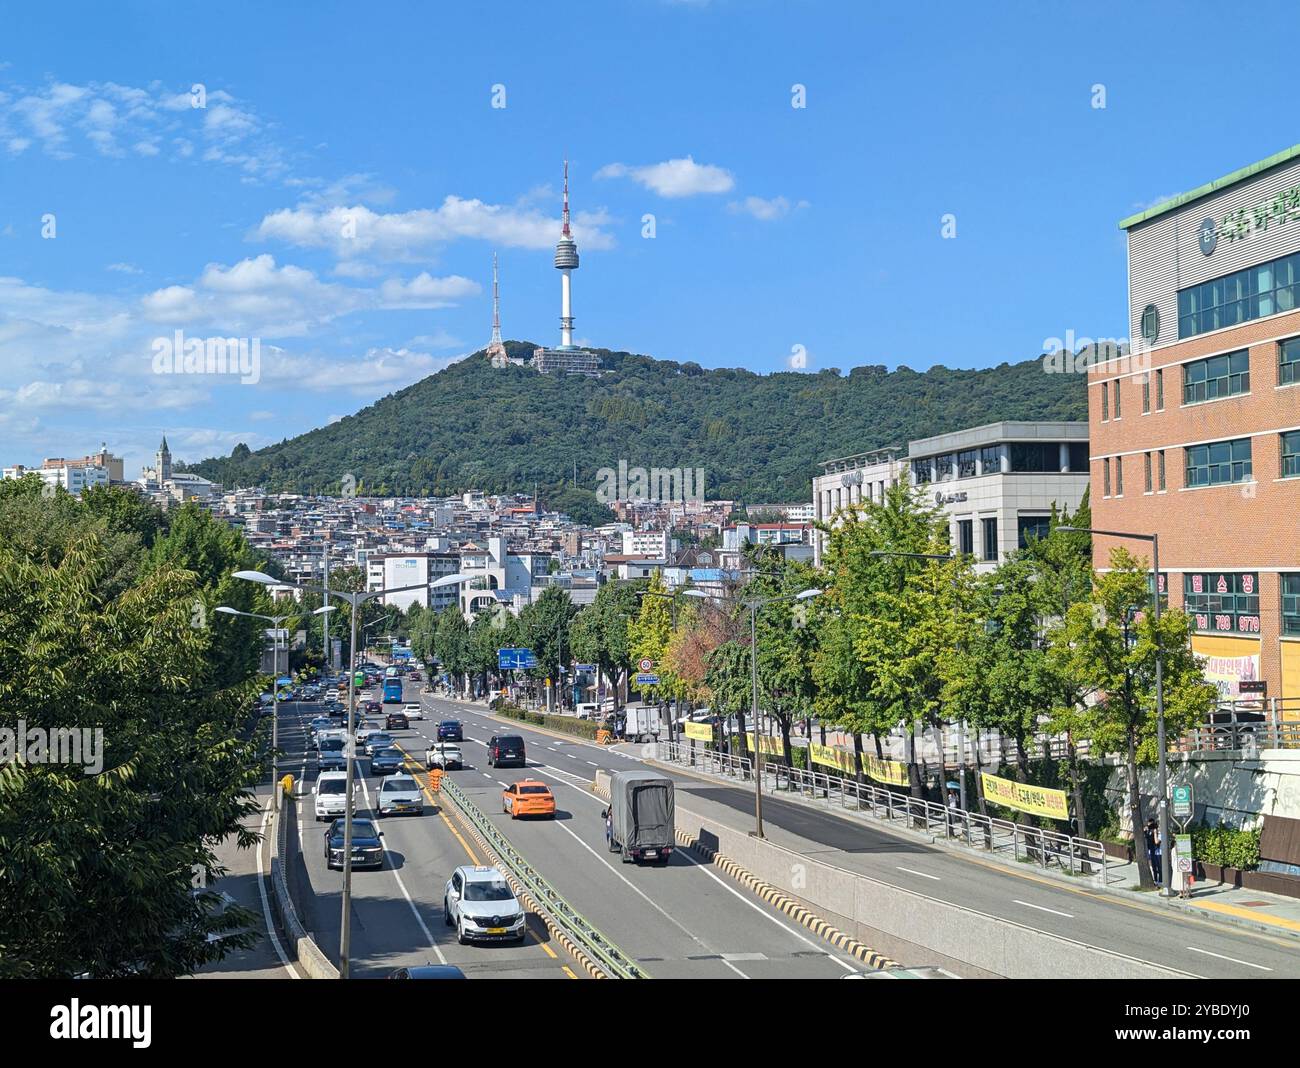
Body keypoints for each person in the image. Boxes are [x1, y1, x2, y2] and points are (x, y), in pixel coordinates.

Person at [1143, 818, 1161, 886]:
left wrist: (1155, 831)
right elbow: (1146, 837)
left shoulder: (1155, 830)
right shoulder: (1148, 830)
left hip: (1155, 850)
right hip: (1150, 849)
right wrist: (1145, 831)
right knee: (1152, 866)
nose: (1150, 825)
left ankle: (1158, 880)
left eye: (1151, 824)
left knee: (1156, 866)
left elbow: (1156, 841)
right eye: (1149, 823)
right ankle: (1155, 880)